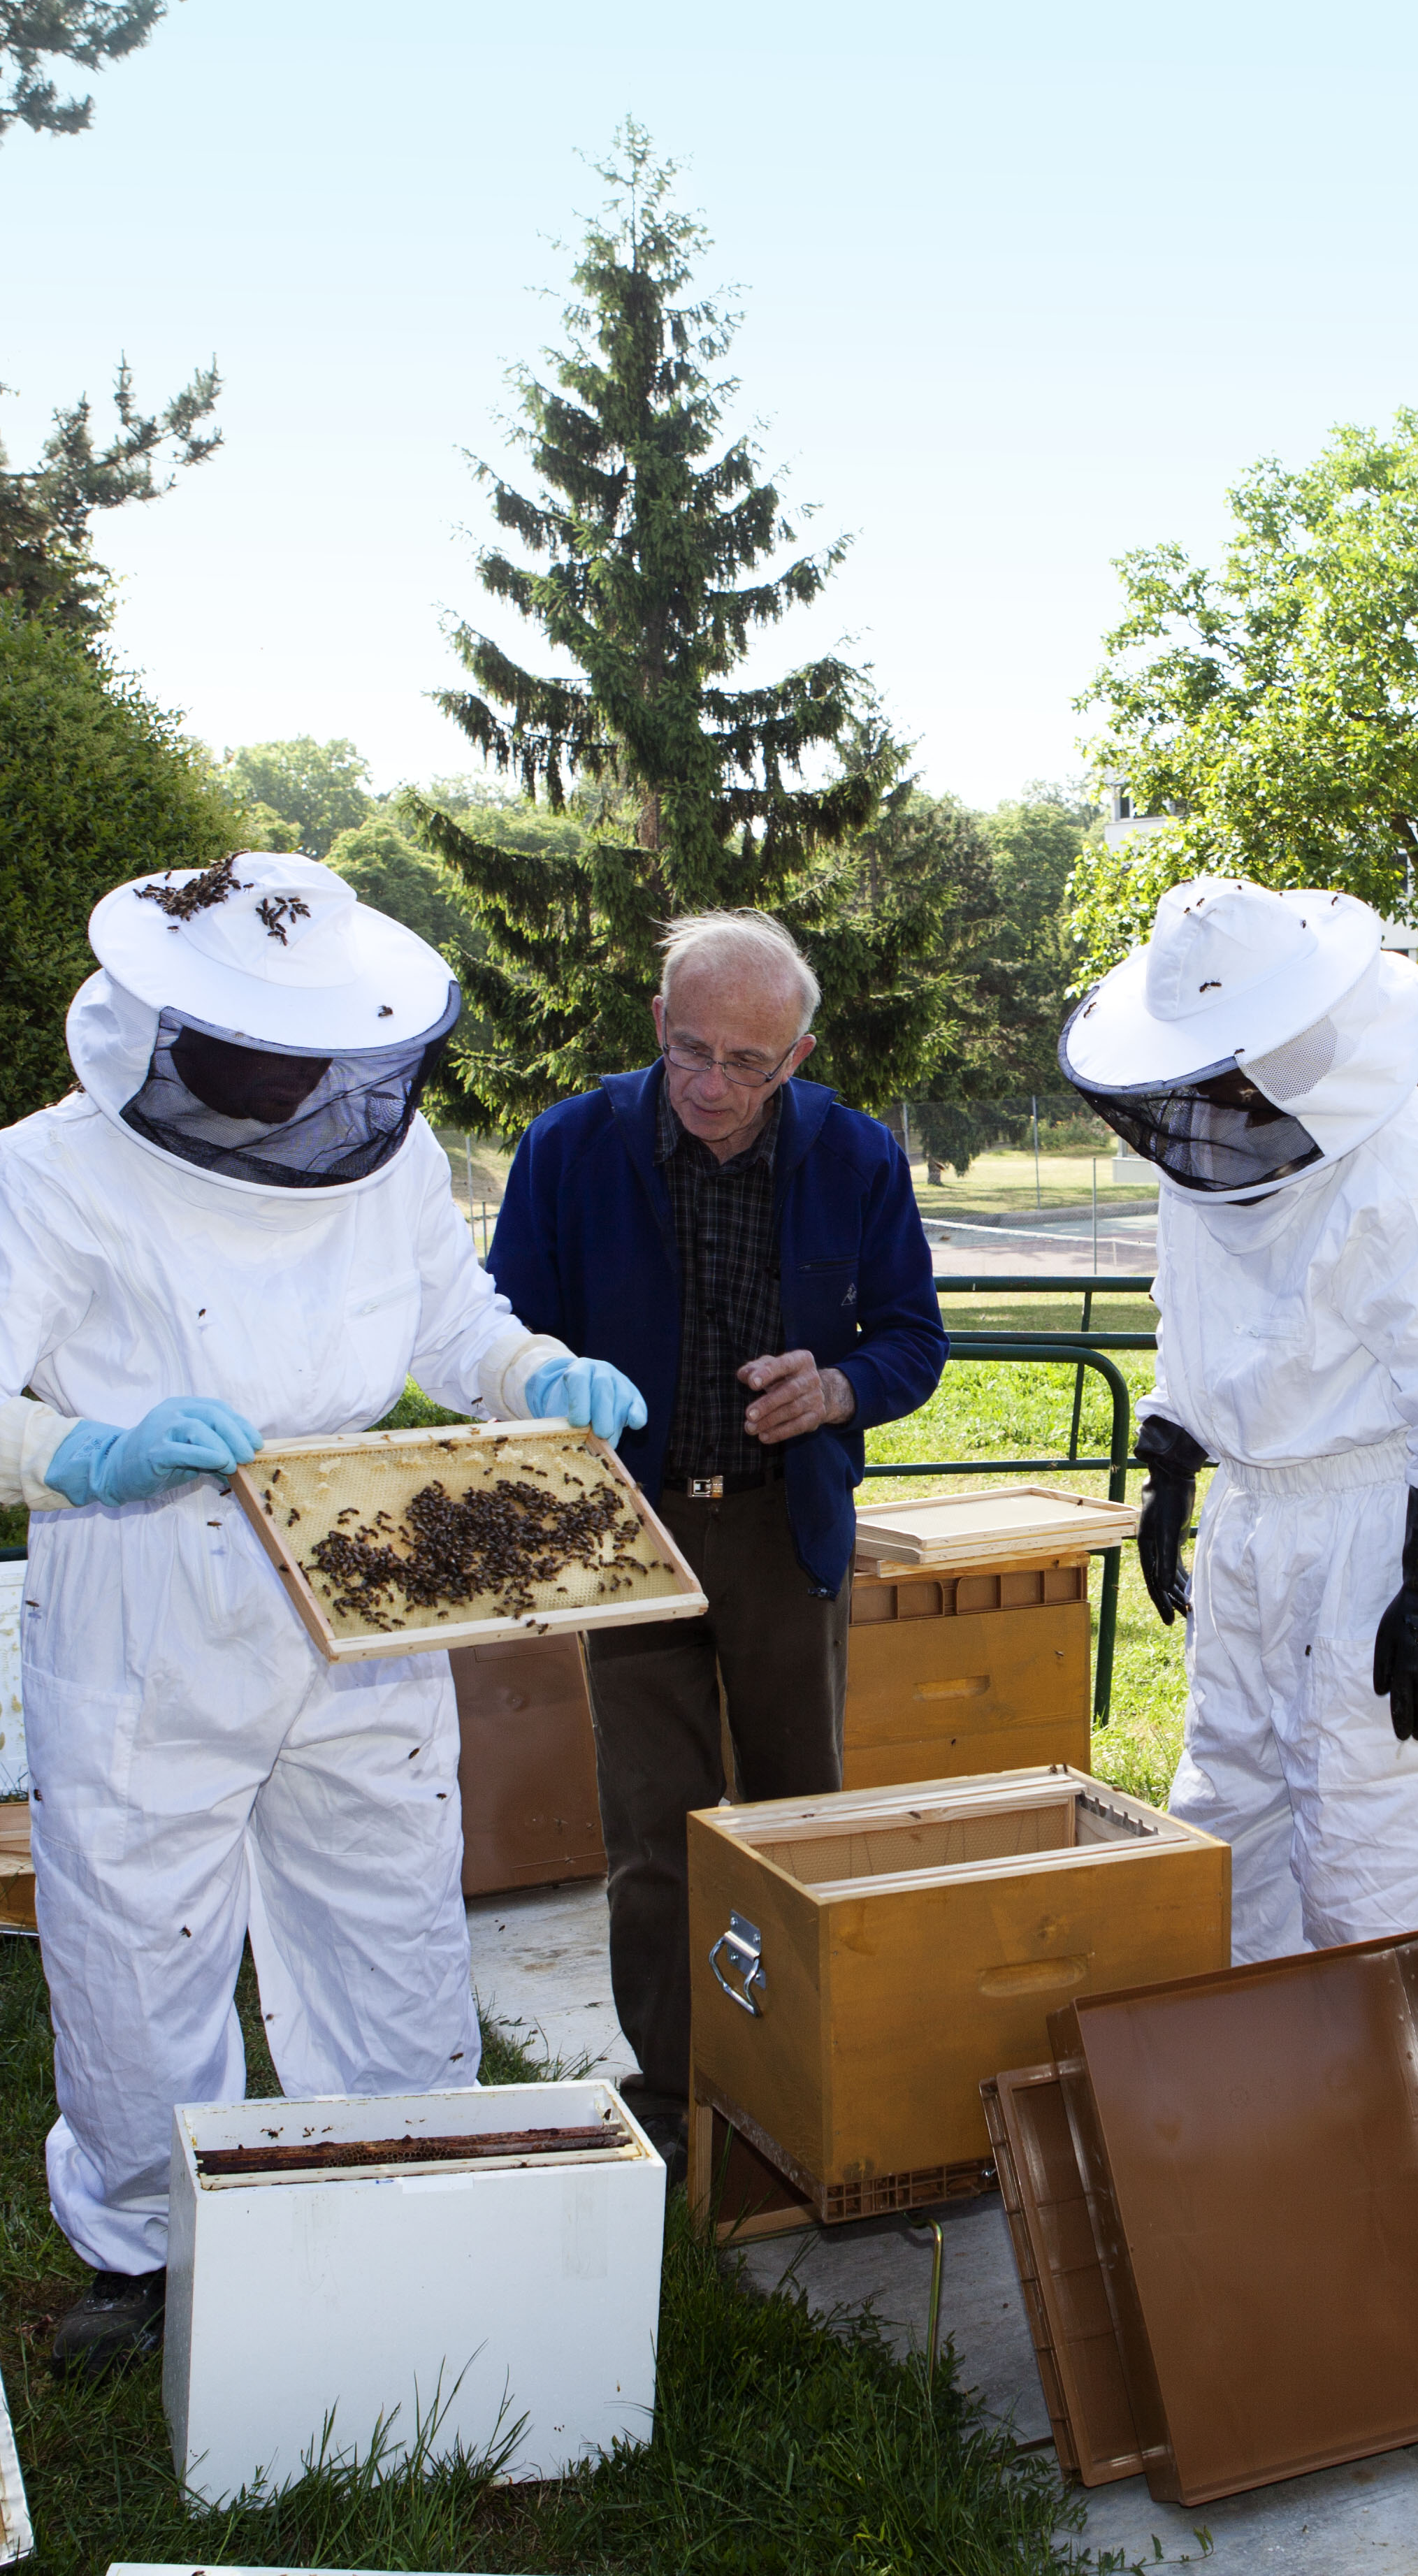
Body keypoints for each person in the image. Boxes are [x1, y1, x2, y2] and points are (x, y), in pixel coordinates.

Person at [0, 850, 647, 2372]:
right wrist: (81, 1453)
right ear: (167, 1031)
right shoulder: (52, 1173)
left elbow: (458, 1322)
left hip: (361, 1569)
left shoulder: (394, 1162)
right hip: (145, 1591)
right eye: (264, 1056)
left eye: (323, 1060)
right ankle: (146, 2251)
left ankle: (397, 2190)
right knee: (136, 1936)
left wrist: (531, 1375)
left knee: (391, 1908)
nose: (299, 1087)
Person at [485, 909, 947, 2166]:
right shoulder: (569, 1148)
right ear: (657, 1026)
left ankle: (803, 2069)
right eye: (691, 1050)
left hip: (778, 1529)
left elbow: (913, 1337)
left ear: (796, 1055)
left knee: (803, 1813)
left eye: (747, 1064)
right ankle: (681, 2089)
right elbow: (492, 1336)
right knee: (654, 1825)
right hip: (627, 1531)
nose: (709, 1085)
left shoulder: (854, 1157)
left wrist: (841, 1390)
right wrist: (544, 1388)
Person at [1057, 877, 1418, 2058]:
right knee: (1233, 1816)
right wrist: (1171, 1462)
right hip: (1259, 1525)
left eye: (1225, 1069)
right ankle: (1255, 2120)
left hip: (1385, 1527)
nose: (1201, 1105)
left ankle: (1400, 2143)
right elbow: (1191, 1322)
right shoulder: (1209, 1150)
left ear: (1291, 1041)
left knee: (1386, 1840)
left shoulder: (1401, 1160)